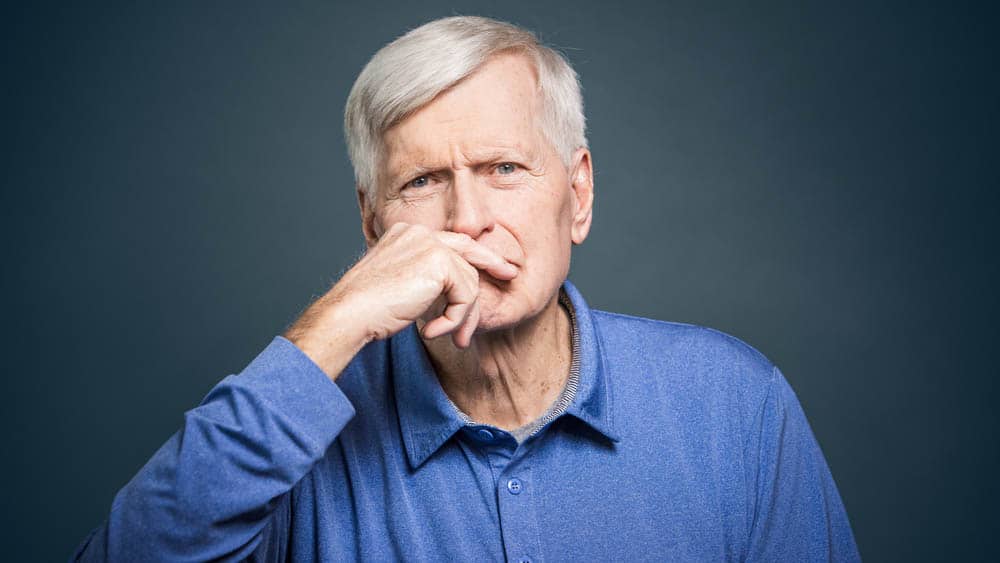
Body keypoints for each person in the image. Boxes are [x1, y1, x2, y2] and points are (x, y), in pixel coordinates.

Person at [71, 15, 860, 562]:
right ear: (374, 226)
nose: (468, 217)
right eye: (421, 183)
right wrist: (334, 323)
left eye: (503, 169)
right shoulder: (303, 441)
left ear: (578, 195)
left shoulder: (734, 406)